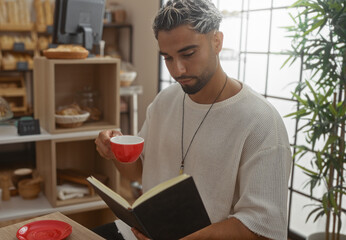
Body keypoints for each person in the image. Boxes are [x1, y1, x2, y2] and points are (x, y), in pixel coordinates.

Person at [94, 0, 292, 239]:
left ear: (217, 41)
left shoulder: (260, 122)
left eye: (188, 53)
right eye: (167, 58)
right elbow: (137, 171)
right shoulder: (164, 102)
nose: (177, 70)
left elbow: (262, 228)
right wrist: (116, 149)